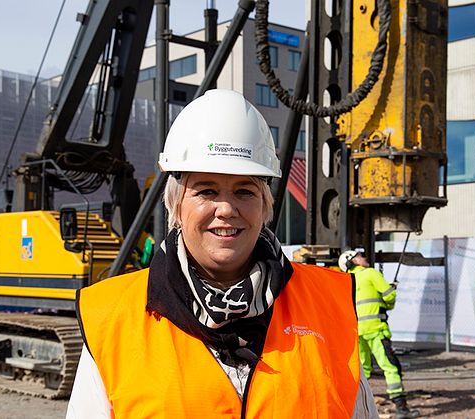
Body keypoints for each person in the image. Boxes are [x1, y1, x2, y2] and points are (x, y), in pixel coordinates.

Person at [67, 89, 379, 418]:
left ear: (264, 207)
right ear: (176, 205)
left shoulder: (327, 303)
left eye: (244, 190)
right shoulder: (114, 317)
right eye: (207, 191)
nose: (227, 209)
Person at [338, 249, 418, 419]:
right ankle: (401, 408)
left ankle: (358, 410)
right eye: (360, 256)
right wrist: (388, 301)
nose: (364, 257)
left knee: (362, 370)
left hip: (356, 332)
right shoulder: (370, 274)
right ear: (353, 261)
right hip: (376, 329)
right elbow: (389, 295)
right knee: (389, 366)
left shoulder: (345, 279)